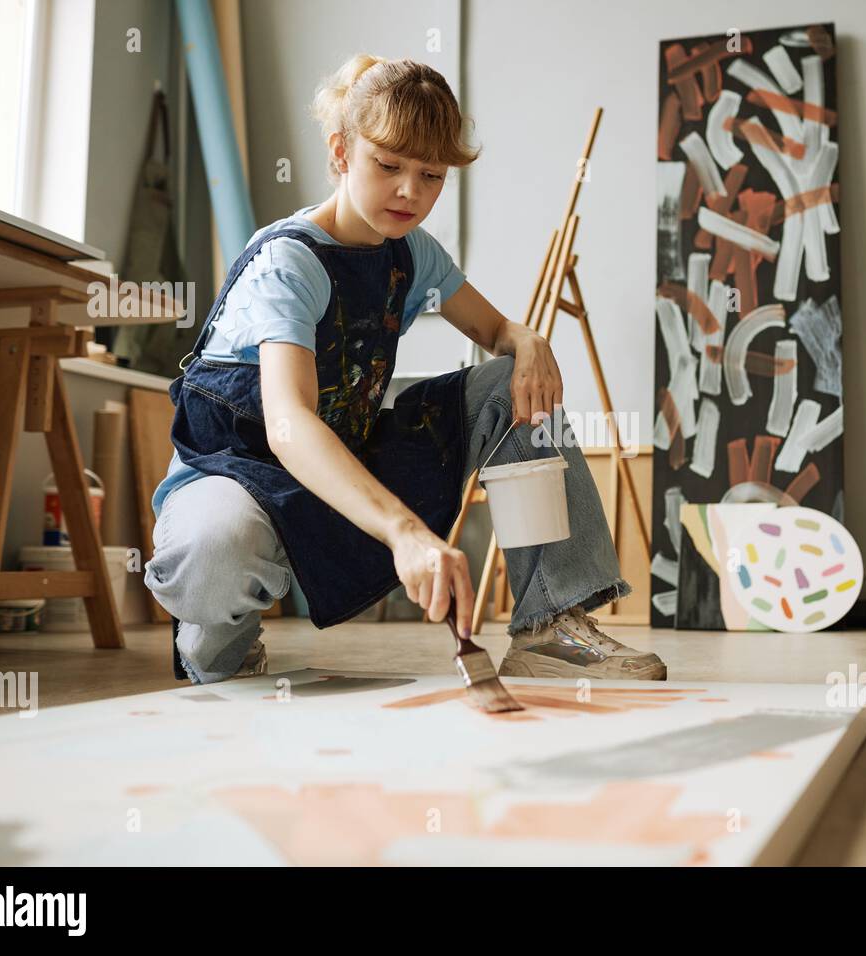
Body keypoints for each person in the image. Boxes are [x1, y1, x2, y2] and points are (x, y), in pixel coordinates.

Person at [143, 55, 665, 686]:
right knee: (214, 549)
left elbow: (496, 331)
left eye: (430, 175)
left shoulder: (412, 253)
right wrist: (404, 530)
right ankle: (218, 643)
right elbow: (286, 424)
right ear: (341, 152)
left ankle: (550, 624)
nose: (409, 192)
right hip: (238, 471)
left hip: (343, 455)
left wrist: (529, 342)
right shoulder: (289, 264)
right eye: (387, 166)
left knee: (512, 388)